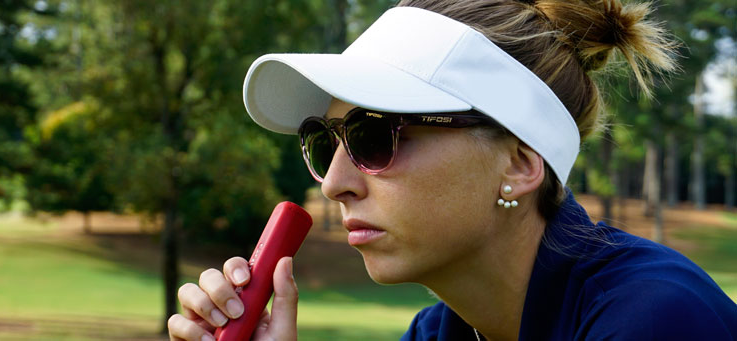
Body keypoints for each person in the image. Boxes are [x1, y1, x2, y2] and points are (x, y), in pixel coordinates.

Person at [168, 0, 737, 340]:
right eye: (325, 142)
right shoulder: (437, 332)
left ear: (517, 164)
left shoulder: (655, 321)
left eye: (374, 136)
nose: (336, 182)